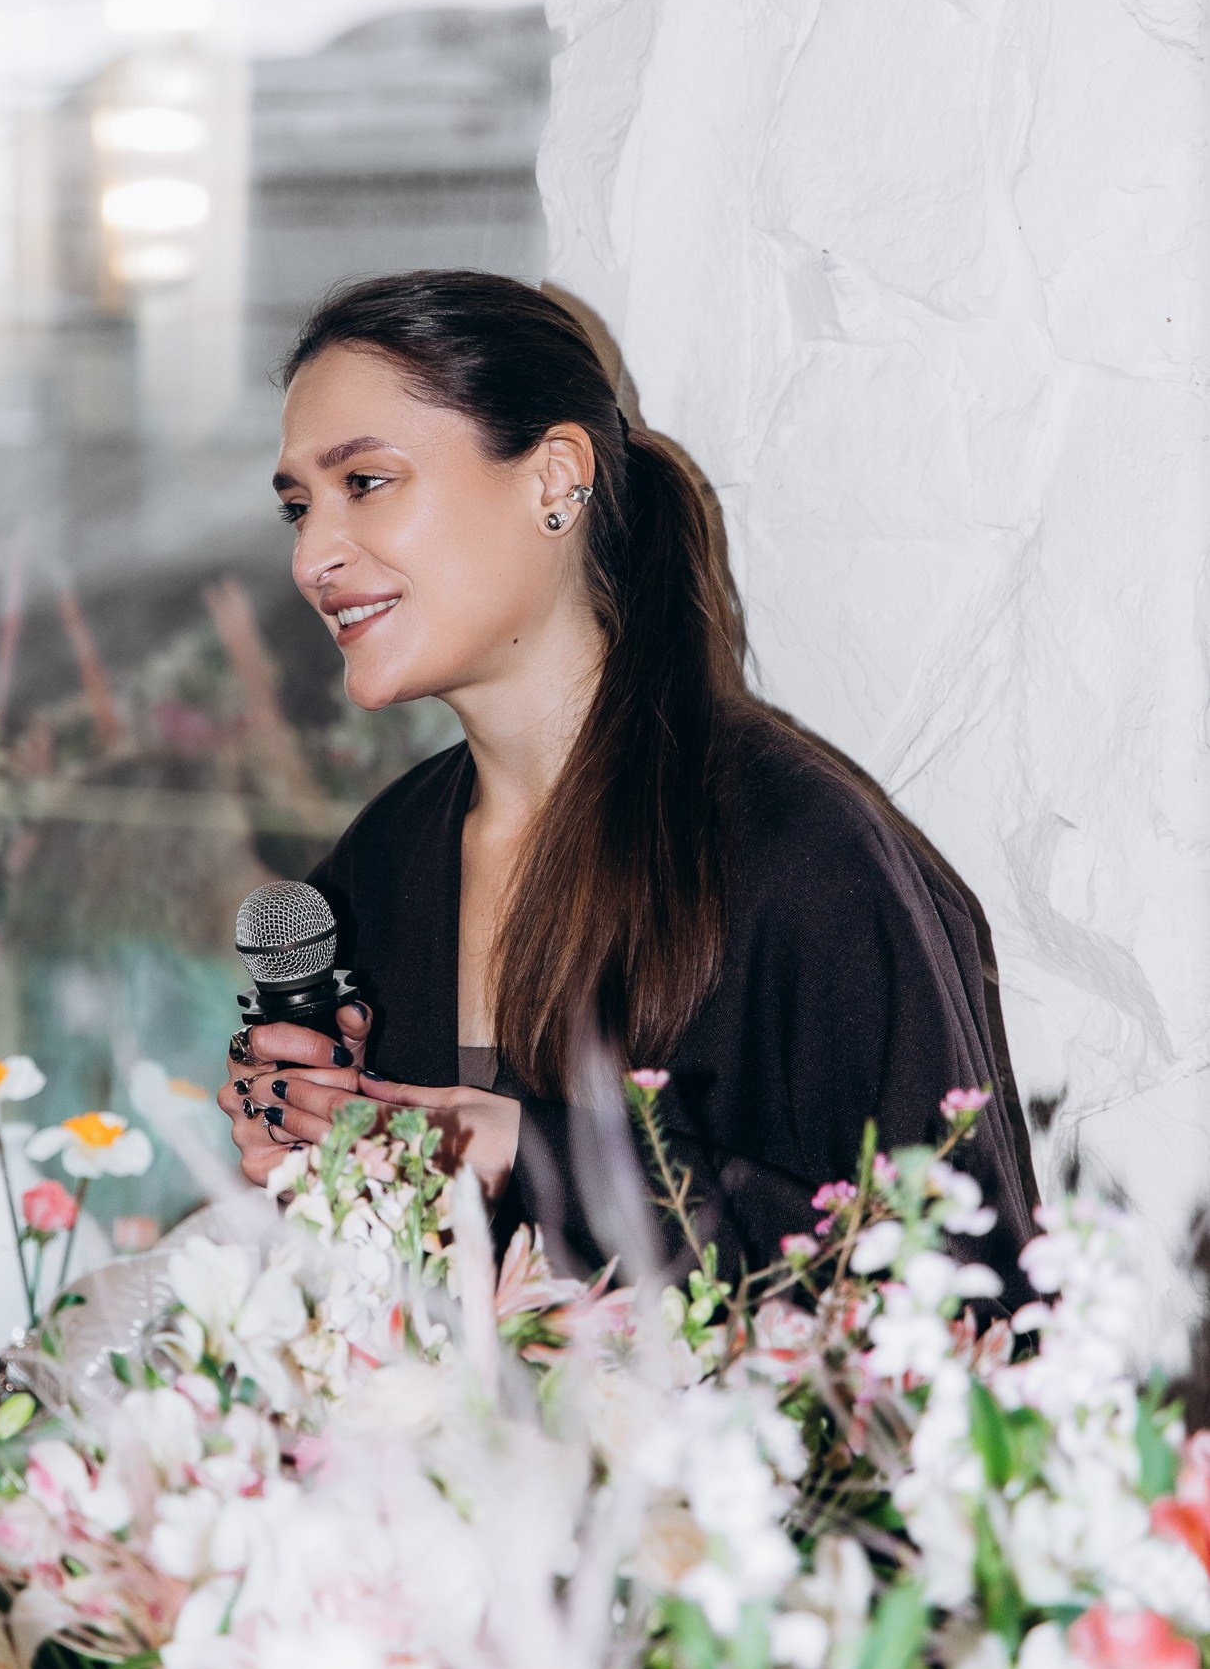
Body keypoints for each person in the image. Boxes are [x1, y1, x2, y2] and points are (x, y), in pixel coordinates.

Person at [217, 270, 1037, 1302]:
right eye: (298, 508)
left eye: (366, 483)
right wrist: (309, 1138)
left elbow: (967, 1297)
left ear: (555, 478)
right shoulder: (378, 862)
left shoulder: (797, 852)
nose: (312, 557)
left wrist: (526, 1155)